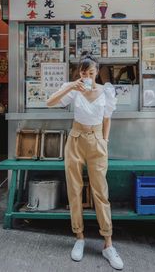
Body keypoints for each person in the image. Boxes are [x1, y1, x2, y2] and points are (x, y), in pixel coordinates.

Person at [47, 51, 124, 270]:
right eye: (83, 72)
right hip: (75, 140)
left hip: (97, 141)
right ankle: (79, 237)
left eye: (91, 72)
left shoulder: (106, 91)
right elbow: (49, 102)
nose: (87, 76)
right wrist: (71, 86)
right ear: (79, 72)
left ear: (97, 72)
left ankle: (108, 243)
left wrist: (105, 141)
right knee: (75, 190)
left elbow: (107, 118)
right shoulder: (74, 89)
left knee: (101, 192)